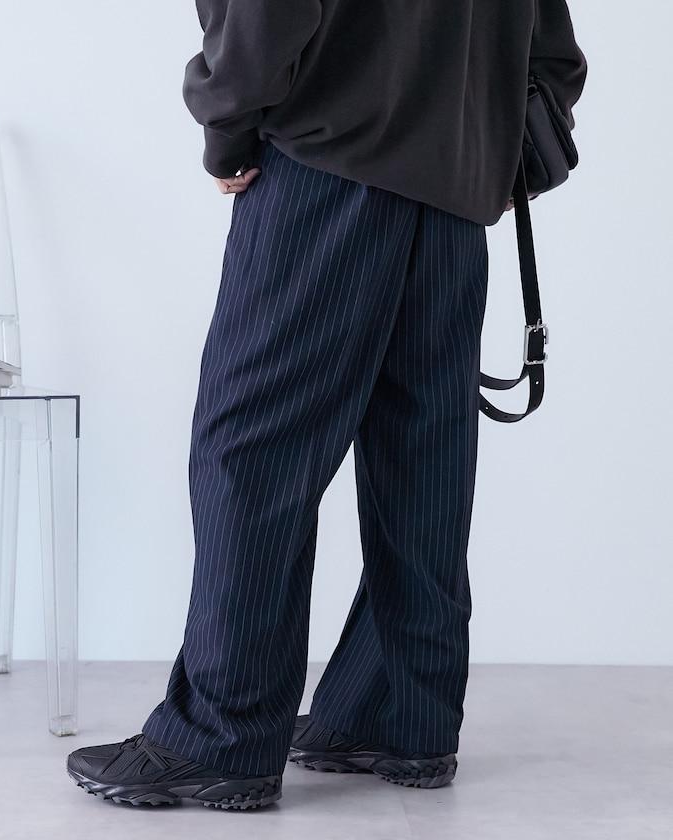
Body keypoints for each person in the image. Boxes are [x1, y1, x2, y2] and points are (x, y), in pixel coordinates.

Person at [67, 0, 586, 810]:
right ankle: (401, 714)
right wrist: (474, 153)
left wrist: (227, 130)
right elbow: (554, 56)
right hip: (454, 207)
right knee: (423, 459)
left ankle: (222, 737)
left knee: (252, 450)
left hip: (327, 171)